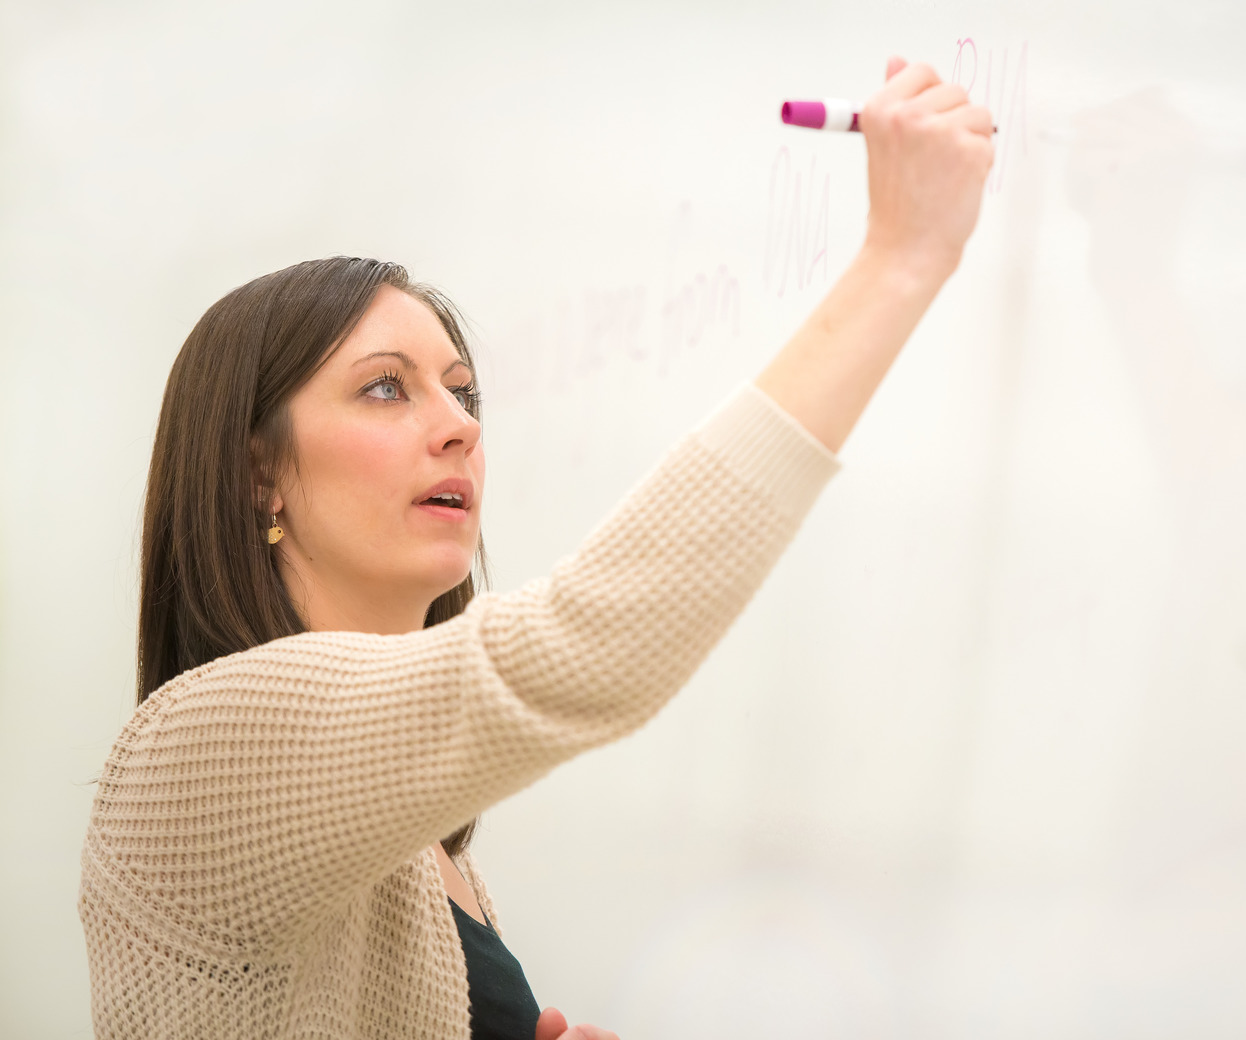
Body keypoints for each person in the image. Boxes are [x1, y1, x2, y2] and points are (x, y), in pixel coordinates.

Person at [76, 57, 994, 1040]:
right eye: (386, 387)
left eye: (461, 391)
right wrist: (902, 257)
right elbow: (586, 650)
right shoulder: (206, 744)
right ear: (259, 471)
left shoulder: (422, 848)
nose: (459, 425)